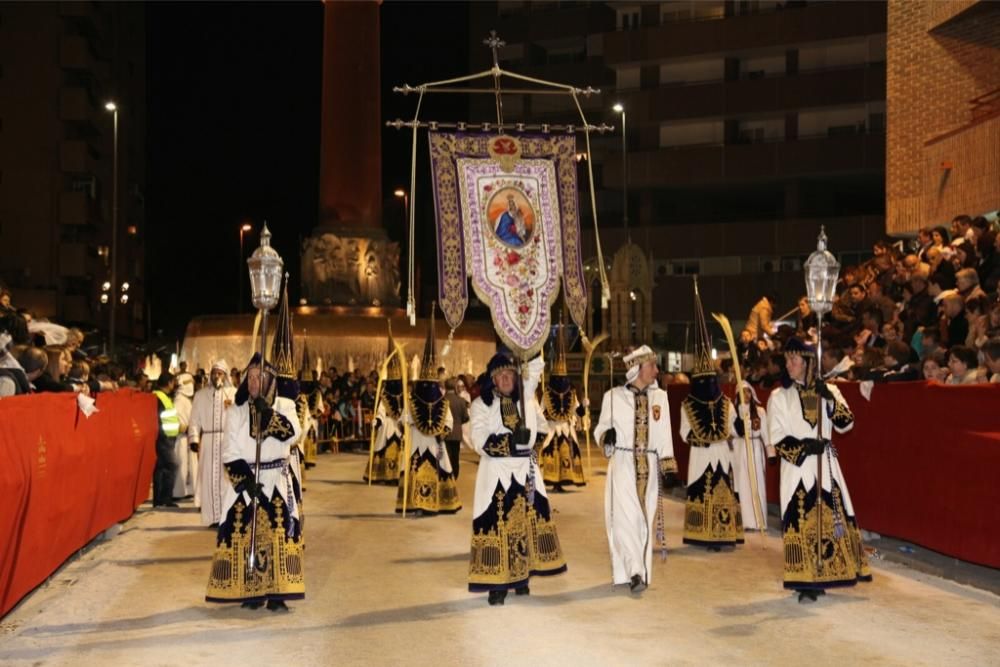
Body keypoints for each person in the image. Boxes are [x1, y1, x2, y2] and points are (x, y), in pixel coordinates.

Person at [766, 337, 871, 603]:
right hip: (797, 466)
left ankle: (828, 572)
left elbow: (846, 423)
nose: (788, 364)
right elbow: (777, 436)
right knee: (799, 519)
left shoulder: (830, 391)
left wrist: (830, 399)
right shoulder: (779, 396)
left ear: (808, 362)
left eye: (794, 360)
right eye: (787, 359)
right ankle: (804, 580)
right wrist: (802, 448)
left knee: (830, 516)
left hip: (826, 460)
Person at [205, 353, 303, 611]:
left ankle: (277, 594)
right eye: (250, 376)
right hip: (248, 478)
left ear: (271, 380)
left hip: (275, 479)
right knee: (242, 532)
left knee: (278, 534)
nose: (253, 381)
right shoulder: (237, 410)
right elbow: (229, 450)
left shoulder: (284, 405)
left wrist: (268, 414)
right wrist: (247, 483)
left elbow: (294, 435)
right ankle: (251, 592)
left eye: (259, 377)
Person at [469, 351, 565, 605]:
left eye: (509, 373)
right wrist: (510, 442)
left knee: (526, 525)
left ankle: (521, 579)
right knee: (497, 526)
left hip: (526, 472)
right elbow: (478, 440)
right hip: (496, 473)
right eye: (499, 375)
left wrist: (533, 445)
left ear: (515, 375)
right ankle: (497, 585)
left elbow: (543, 428)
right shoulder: (481, 405)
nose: (505, 379)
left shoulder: (528, 400)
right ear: (492, 380)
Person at [593, 345, 677, 593]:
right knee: (624, 519)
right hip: (622, 465)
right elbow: (600, 429)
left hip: (649, 467)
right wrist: (605, 437)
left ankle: (637, 568)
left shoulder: (660, 398)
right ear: (638, 369)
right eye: (652, 366)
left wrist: (668, 465)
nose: (657, 370)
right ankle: (635, 572)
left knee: (643, 520)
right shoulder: (613, 397)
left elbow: (664, 433)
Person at [395, 309, 461, 515]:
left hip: (422, 443)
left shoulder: (418, 401)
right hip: (431, 444)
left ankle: (425, 503)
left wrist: (406, 428)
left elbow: (403, 421)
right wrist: (442, 431)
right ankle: (427, 503)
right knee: (432, 468)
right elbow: (447, 423)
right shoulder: (434, 402)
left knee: (425, 469)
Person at [679, 355, 742, 551]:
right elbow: (685, 432)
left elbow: (734, 428)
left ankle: (725, 534)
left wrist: (741, 418)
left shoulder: (727, 403)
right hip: (701, 456)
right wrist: (704, 440)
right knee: (703, 491)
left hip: (722, 454)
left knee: (722, 492)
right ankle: (703, 534)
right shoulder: (688, 405)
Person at [538, 324, 587, 491]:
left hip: (566, 428)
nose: (561, 381)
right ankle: (553, 481)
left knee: (567, 452)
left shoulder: (571, 393)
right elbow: (541, 411)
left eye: (563, 378)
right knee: (551, 452)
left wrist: (585, 406)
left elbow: (578, 411)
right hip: (553, 429)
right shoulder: (547, 392)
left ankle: (564, 480)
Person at [188, 360, 236, 526]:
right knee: (208, 478)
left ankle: (226, 516)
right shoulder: (201, 395)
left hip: (227, 441)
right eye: (214, 372)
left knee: (226, 480)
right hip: (208, 442)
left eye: (220, 373)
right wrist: (194, 438)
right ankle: (211, 518)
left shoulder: (234, 394)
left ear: (225, 375)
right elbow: (194, 419)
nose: (217, 376)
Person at [365, 322, 405, 484]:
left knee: (397, 451)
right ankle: (384, 475)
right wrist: (378, 420)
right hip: (389, 425)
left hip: (398, 426)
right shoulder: (385, 394)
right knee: (385, 449)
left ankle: (395, 475)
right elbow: (381, 410)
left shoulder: (403, 394)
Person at [732, 381, 772, 531]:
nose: (746, 395)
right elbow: (732, 431)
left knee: (757, 483)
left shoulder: (760, 411)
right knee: (742, 484)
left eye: (748, 391)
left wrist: (770, 452)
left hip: (755, 448)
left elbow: (766, 433)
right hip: (740, 448)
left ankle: (759, 521)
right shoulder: (734, 412)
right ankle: (746, 521)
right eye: (742, 392)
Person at [152, 372, 180, 508]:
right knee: (172, 465)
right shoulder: (158, 397)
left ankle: (159, 499)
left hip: (168, 437)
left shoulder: (163, 397)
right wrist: (162, 435)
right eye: (173, 382)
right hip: (164, 438)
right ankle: (165, 498)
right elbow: (156, 418)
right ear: (169, 383)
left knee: (161, 468)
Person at [172, 372, 198, 502]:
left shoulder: (187, 399)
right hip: (182, 436)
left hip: (189, 436)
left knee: (191, 464)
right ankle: (178, 491)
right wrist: (185, 428)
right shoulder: (179, 399)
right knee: (181, 463)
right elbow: (175, 420)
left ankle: (189, 489)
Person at [443, 377, 470, 480]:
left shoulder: (442, 400)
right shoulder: (461, 400)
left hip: (444, 433)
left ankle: (446, 477)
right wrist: (458, 423)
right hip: (457, 433)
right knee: (455, 457)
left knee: (445, 457)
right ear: (455, 387)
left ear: (445, 387)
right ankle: (455, 476)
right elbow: (466, 418)